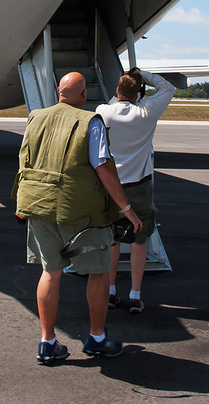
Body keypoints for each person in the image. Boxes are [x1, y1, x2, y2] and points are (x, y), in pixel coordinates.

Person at [12, 71, 142, 364]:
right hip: (80, 212)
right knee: (97, 271)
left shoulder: (36, 117)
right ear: (84, 95)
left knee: (50, 272)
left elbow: (24, 159)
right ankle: (96, 338)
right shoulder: (90, 122)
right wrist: (125, 208)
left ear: (59, 92)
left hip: (40, 206)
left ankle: (47, 343)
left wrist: (22, 202)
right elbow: (103, 167)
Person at [96, 68, 176, 313]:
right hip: (139, 186)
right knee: (140, 241)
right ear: (139, 93)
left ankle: (110, 292)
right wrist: (144, 74)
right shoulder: (146, 112)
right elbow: (168, 88)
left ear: (117, 91)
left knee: (112, 241)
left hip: (112, 187)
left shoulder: (103, 111)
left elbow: (112, 103)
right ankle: (135, 295)